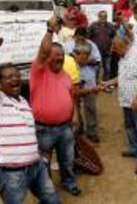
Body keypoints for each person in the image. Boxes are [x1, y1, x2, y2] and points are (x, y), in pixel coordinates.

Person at [30, 16, 82, 196]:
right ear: (47, 58)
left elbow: (71, 97)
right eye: (55, 56)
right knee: (44, 162)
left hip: (65, 127)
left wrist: (74, 115)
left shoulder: (65, 75)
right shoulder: (38, 71)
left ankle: (69, 181)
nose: (59, 59)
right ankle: (46, 188)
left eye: (61, 56)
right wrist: (50, 31)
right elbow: (44, 50)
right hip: (43, 128)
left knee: (67, 159)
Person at [0, 63, 61, 204]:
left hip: (37, 166)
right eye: (8, 77)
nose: (14, 79)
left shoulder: (24, 102)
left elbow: (27, 131)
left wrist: (37, 152)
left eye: (17, 75)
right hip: (12, 173)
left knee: (52, 200)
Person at [101, 33, 137, 175]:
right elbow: (122, 77)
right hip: (127, 101)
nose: (113, 50)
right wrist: (108, 82)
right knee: (130, 126)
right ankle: (134, 148)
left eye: (115, 48)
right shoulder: (123, 57)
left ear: (124, 45)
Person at [64, 28, 102, 142]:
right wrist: (75, 61)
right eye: (78, 37)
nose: (80, 39)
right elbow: (64, 60)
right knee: (74, 105)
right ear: (74, 36)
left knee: (90, 106)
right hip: (72, 79)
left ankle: (92, 132)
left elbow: (98, 61)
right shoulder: (67, 46)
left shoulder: (92, 45)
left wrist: (85, 62)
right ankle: (78, 130)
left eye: (83, 37)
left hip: (88, 78)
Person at [88, 11, 116, 81]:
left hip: (107, 51)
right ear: (98, 17)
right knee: (96, 69)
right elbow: (88, 37)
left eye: (105, 17)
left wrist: (112, 47)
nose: (103, 18)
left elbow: (114, 38)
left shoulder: (111, 26)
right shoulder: (93, 25)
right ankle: (96, 84)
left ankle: (105, 84)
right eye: (101, 16)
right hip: (96, 52)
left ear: (107, 17)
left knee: (107, 69)